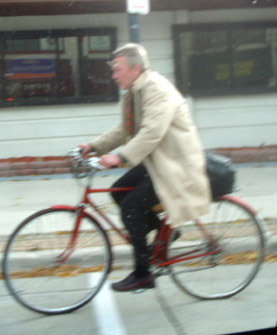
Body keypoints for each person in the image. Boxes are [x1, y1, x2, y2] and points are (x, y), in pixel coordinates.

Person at [79, 43, 211, 292]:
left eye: (117, 69)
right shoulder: (134, 92)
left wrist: (121, 158)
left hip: (175, 164)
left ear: (135, 68)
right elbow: (125, 130)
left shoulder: (156, 88)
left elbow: (152, 132)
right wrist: (94, 146)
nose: (113, 75)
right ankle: (165, 233)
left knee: (131, 207)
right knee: (118, 192)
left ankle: (143, 273)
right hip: (158, 161)